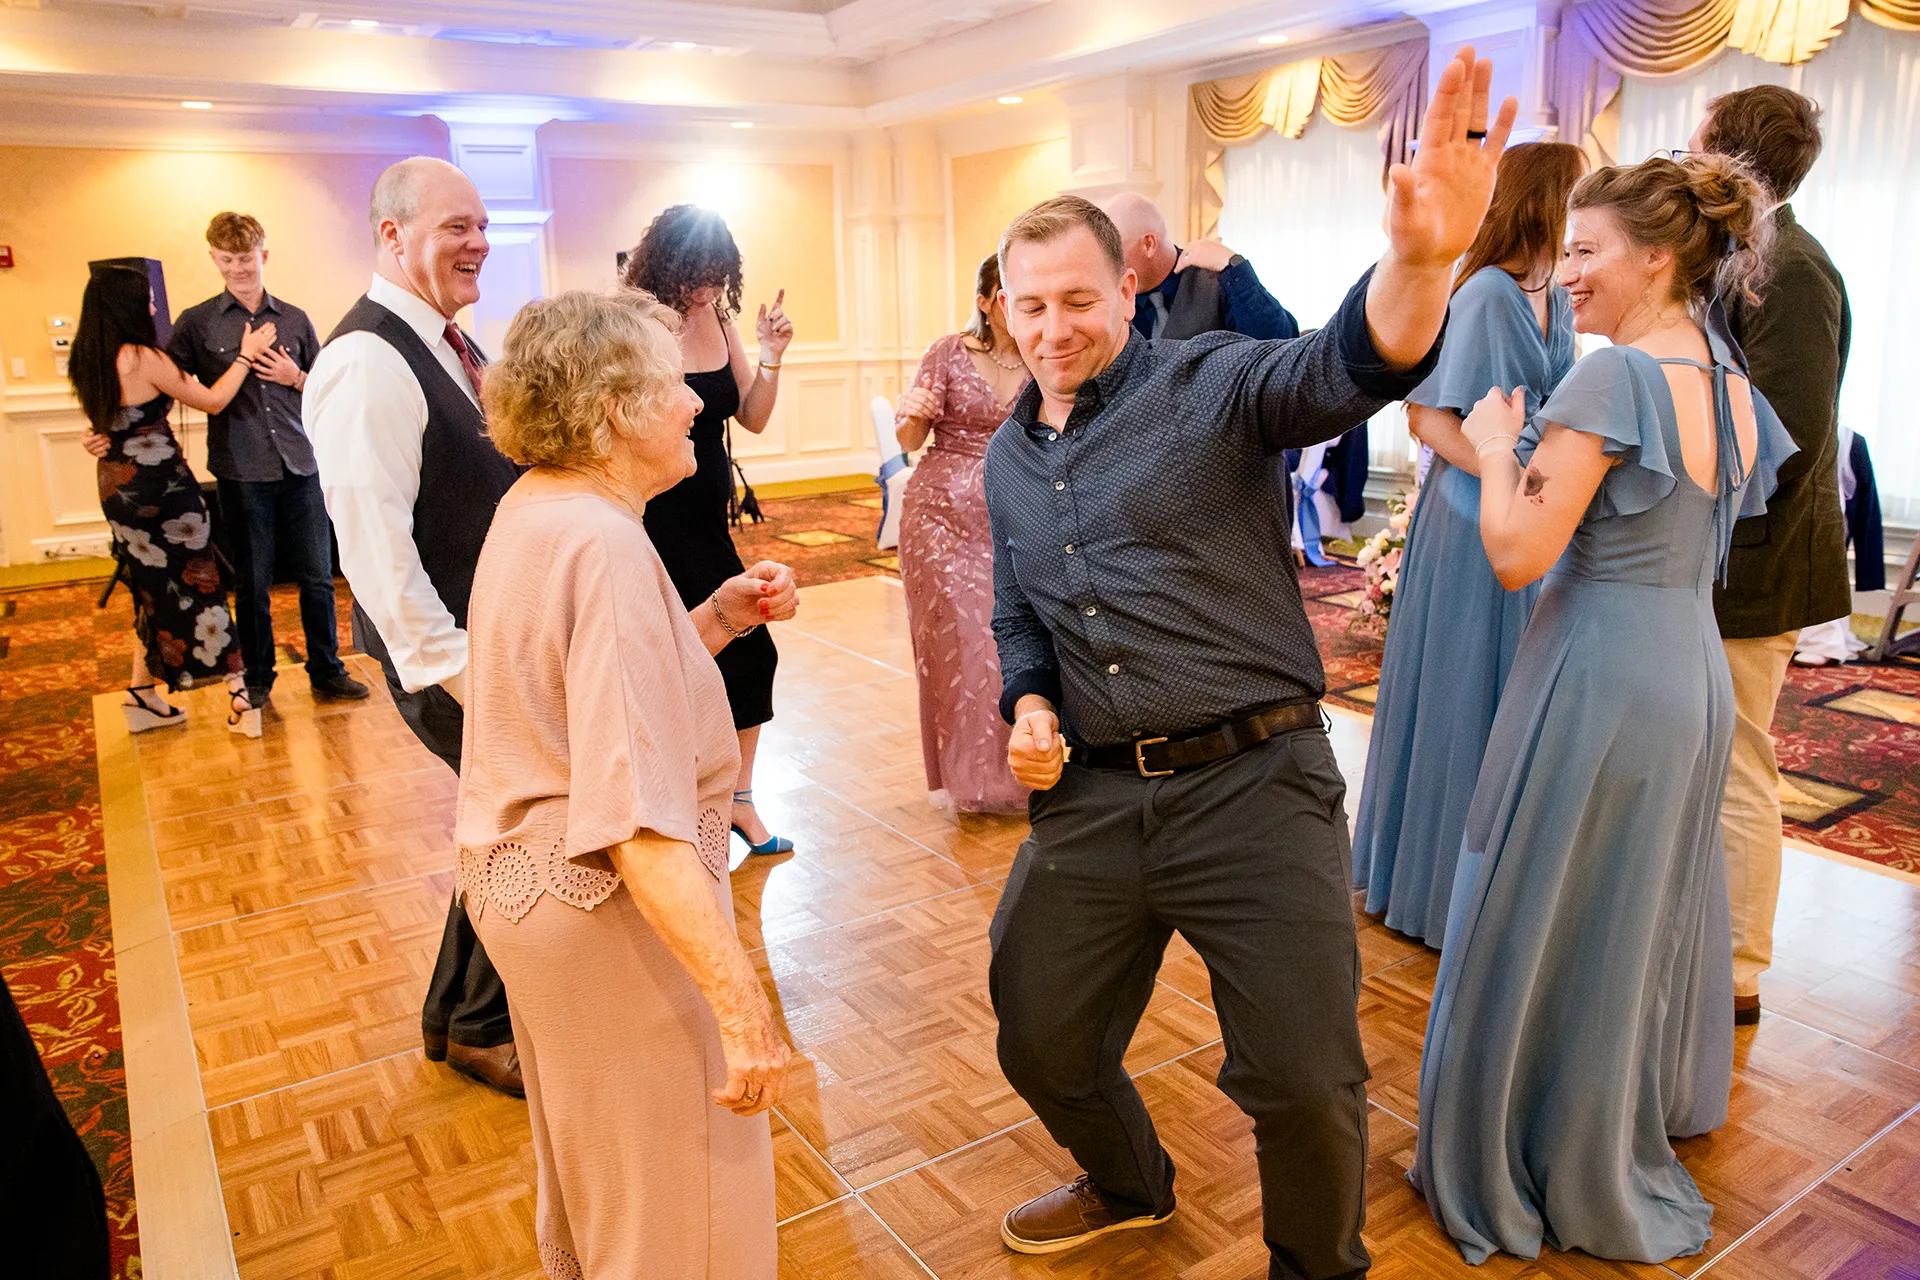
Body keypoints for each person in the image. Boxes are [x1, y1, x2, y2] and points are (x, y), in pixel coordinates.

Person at [985, 49, 1516, 1279]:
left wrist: (1423, 261)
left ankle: (1315, 1266)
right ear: (1004, 310)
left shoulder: (1210, 384)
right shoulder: (1008, 461)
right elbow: (1020, 615)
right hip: (1098, 795)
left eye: (1077, 298)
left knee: (1304, 1075)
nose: (1055, 327)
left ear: (1129, 289)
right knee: (1039, 1033)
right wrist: (1025, 699)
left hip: (1254, 783)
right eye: (1031, 305)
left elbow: (1346, 364)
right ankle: (1128, 1181)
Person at [1412, 153, 1794, 1264]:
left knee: (1536, 903)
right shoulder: (1726, 374)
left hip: (1595, 667)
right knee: (1624, 915)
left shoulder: (1614, 380)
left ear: (1658, 255)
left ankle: (1523, 1141)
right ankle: (1601, 1112)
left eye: (1586, 250)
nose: (1566, 271)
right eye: (1567, 247)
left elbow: (1519, 551)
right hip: (1689, 672)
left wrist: (1490, 447)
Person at [459, 287, 796, 1278]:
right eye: (669, 385)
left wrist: (719, 618)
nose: (696, 400)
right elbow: (637, 817)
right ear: (612, 410)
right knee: (681, 1209)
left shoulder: (543, 507)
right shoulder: (601, 542)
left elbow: (602, 697)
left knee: (605, 1180)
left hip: (528, 894)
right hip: (601, 907)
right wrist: (741, 1009)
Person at [305, 156, 521, 1097]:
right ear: (392, 236)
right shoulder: (365, 360)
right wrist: (458, 672)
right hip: (450, 657)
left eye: (481, 224)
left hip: (489, 644)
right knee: (526, 822)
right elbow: (373, 547)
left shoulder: (445, 340)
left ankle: (456, 1017)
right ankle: (477, 1025)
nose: (477, 242)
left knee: (510, 821)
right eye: (453, 226)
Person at [1351, 141, 1586, 946]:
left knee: (1509, 697)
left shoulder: (1551, 290)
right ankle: (1441, 891)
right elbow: (1427, 416)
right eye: (1579, 198)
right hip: (1467, 513)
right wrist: (1502, 473)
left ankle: (1492, 882)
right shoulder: (1486, 293)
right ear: (1546, 202)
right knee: (1464, 695)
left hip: (1524, 505)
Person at [1692, 86, 1850, 1026]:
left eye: (1699, 139)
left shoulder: (1794, 270)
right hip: (1722, 556)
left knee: (1738, 764)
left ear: (1731, 155)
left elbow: (1782, 434)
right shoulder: (1751, 256)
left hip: (1761, 559)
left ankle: (1739, 970)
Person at [620, 207, 796, 855]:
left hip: (707, 517)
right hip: (654, 512)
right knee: (684, 653)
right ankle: (680, 800)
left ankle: (733, 802)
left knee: (750, 651)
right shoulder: (639, 321)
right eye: (701, 273)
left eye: (722, 275)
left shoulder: (719, 318)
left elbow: (750, 417)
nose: (713, 288)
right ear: (670, 264)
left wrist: (772, 355)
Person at [164, 211, 368, 721]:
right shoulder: (197, 322)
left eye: (246, 258)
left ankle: (327, 670)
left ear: (264, 255)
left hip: (302, 464)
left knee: (318, 576)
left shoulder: (295, 319)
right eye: (227, 259)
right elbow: (162, 384)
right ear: (214, 258)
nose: (238, 268)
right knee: (252, 584)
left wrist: (295, 374)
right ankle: (257, 680)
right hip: (240, 469)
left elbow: (324, 387)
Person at [70, 263, 266, 733]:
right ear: (129, 307)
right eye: (148, 299)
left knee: (151, 588)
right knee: (202, 583)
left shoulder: (87, 358)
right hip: (164, 490)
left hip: (117, 489)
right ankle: (240, 698)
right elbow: (214, 401)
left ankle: (142, 694)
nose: (155, 306)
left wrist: (92, 435)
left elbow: (104, 424)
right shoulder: (143, 357)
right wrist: (246, 355)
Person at [893, 253, 1030, 815]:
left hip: (1015, 510)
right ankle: (973, 779)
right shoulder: (948, 352)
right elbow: (908, 438)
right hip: (939, 517)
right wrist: (914, 411)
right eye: (1007, 292)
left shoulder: (1045, 355)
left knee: (1009, 642)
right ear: (984, 301)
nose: (1015, 302)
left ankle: (1023, 770)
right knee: (961, 647)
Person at [1103, 191, 1299, 340]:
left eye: (1113, 252)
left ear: (1149, 244)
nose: (1106, 263)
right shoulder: (1112, 298)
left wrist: (1236, 267)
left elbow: (1279, 341)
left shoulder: (1218, 282)